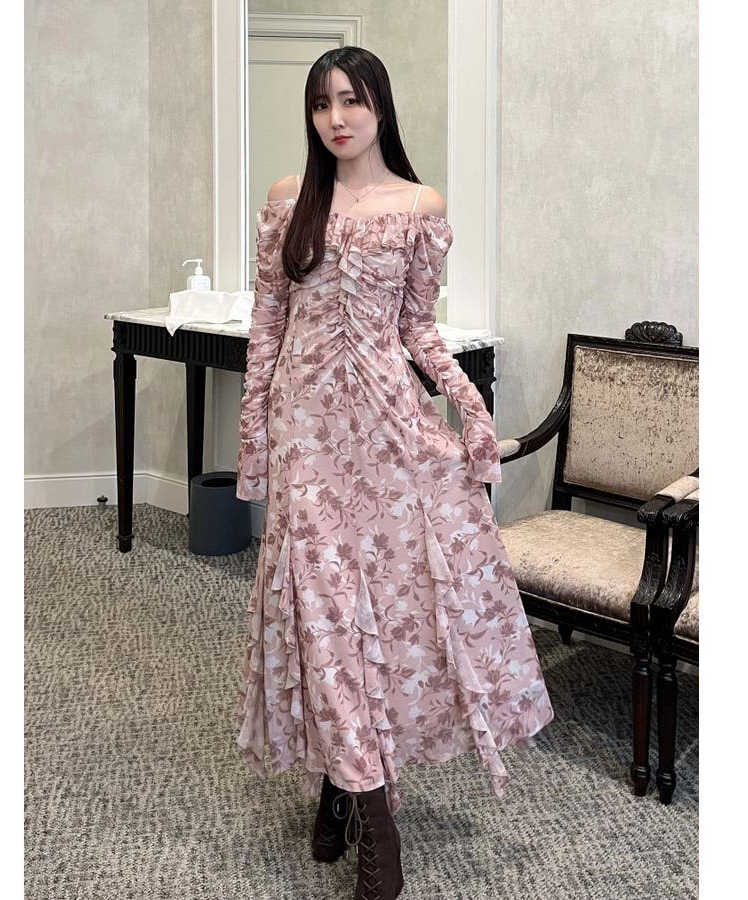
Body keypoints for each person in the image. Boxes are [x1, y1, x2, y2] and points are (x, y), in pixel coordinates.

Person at [234, 46, 553, 900]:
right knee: (323, 609)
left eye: (352, 100)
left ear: (381, 106)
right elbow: (268, 324)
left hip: (386, 427)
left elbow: (416, 328)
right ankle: (377, 820)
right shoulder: (288, 200)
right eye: (322, 104)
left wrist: (468, 405)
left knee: (391, 601)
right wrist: (255, 439)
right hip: (305, 430)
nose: (337, 118)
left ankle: (342, 782)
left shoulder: (420, 205)